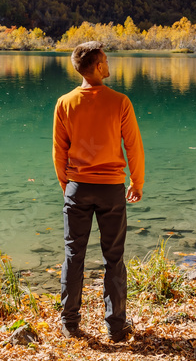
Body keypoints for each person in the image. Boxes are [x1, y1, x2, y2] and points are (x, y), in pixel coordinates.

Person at [52, 40, 144, 342]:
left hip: (78, 188)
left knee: (73, 255)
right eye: (105, 59)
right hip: (110, 190)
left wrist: (68, 185)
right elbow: (133, 146)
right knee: (113, 258)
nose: (108, 63)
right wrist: (136, 181)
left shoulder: (65, 102)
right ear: (96, 66)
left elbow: (59, 152)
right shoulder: (120, 101)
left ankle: (70, 322)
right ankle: (116, 326)